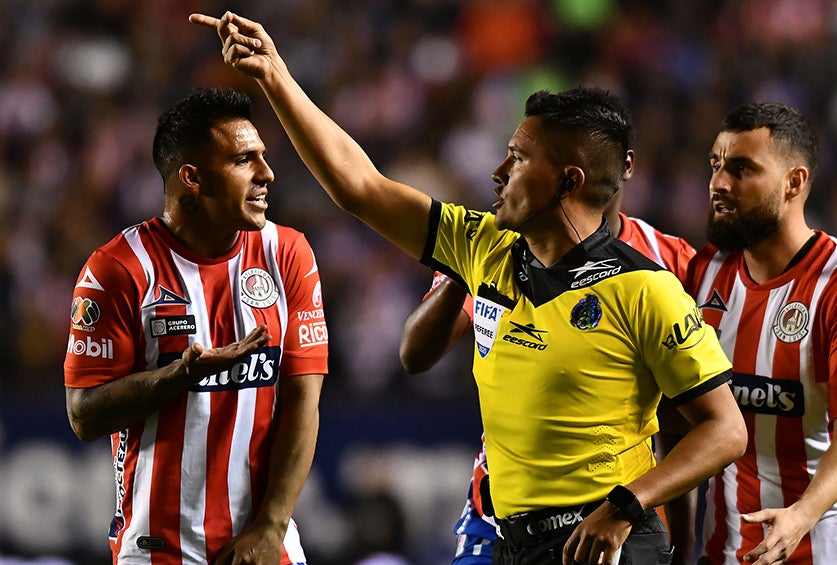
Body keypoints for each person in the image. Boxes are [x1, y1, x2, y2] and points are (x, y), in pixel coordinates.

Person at [191, 12, 747, 565]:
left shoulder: (646, 289)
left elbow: (725, 431)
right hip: (509, 541)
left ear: (568, 181)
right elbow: (359, 186)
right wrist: (275, 76)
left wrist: (627, 506)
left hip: (600, 542)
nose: (497, 171)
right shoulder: (484, 247)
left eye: (520, 157)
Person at [63, 88, 328, 565]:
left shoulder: (287, 254)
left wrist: (271, 527)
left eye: (263, 158)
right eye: (244, 160)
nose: (266, 174)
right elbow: (83, 416)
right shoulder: (119, 269)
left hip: (266, 548)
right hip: (157, 550)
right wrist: (179, 378)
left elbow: (303, 404)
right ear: (192, 178)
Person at [399, 189, 699, 565]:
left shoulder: (669, 263)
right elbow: (415, 354)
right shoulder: (501, 246)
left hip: (604, 518)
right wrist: (466, 264)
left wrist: (681, 538)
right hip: (494, 515)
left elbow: (689, 417)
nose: (505, 176)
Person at [680, 101, 837, 564]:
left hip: (827, 541)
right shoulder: (703, 273)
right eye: (716, 166)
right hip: (729, 547)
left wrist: (802, 514)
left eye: (741, 169)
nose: (719, 182)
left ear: (794, 182)